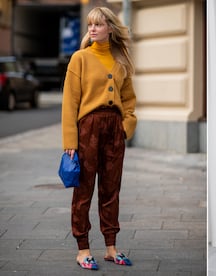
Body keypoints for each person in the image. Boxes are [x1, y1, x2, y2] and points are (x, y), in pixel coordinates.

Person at [61, 6, 137, 270]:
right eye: (90, 24)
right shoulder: (79, 58)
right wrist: (70, 142)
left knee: (111, 189)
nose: (92, 29)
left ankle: (111, 247)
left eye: (99, 24)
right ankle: (83, 248)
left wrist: (127, 126)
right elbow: (70, 103)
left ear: (111, 29)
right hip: (88, 130)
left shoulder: (121, 62)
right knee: (84, 191)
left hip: (114, 129)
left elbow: (128, 99)